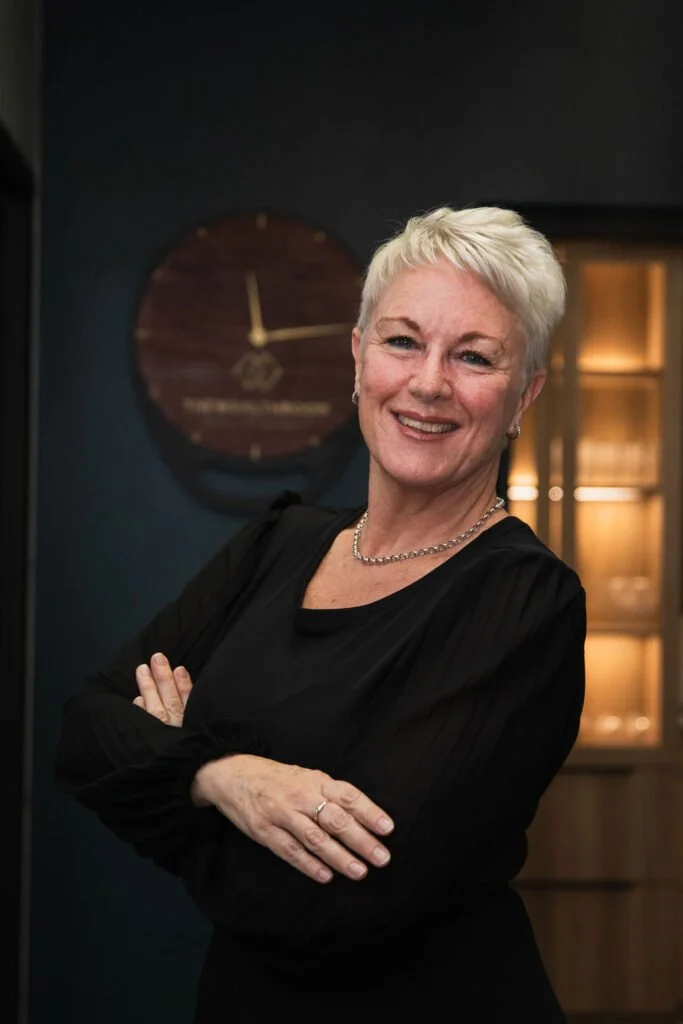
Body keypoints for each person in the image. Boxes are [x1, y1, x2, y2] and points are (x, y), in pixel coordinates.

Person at [55, 205, 586, 1022]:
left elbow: (344, 905)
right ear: (357, 355)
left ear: (523, 396)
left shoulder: (523, 600)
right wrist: (222, 778)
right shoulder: (279, 541)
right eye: (401, 340)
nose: (429, 382)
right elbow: (86, 729)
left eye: (474, 356)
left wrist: (163, 772)